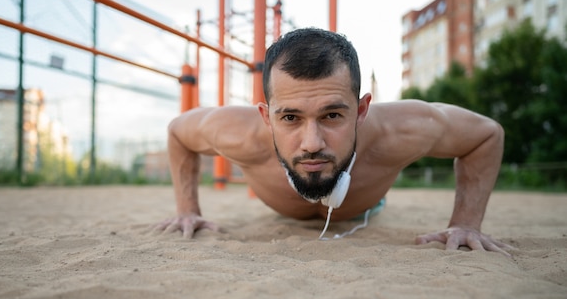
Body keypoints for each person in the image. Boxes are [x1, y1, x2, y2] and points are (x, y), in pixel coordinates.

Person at [156, 27, 513, 256]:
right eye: (290, 118)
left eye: (332, 116)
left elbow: (486, 135)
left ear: (361, 110)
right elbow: (177, 133)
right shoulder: (236, 132)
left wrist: (465, 222)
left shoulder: (400, 130)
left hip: (368, 208)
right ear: (266, 116)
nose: (311, 143)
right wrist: (188, 210)